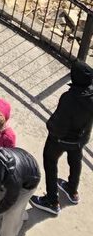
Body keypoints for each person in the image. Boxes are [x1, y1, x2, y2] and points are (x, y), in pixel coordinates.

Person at [30, 60, 93, 215]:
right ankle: (72, 190)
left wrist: (50, 128)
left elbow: (59, 123)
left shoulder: (69, 98)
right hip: (79, 140)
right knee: (75, 161)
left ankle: (52, 201)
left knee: (50, 162)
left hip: (60, 139)